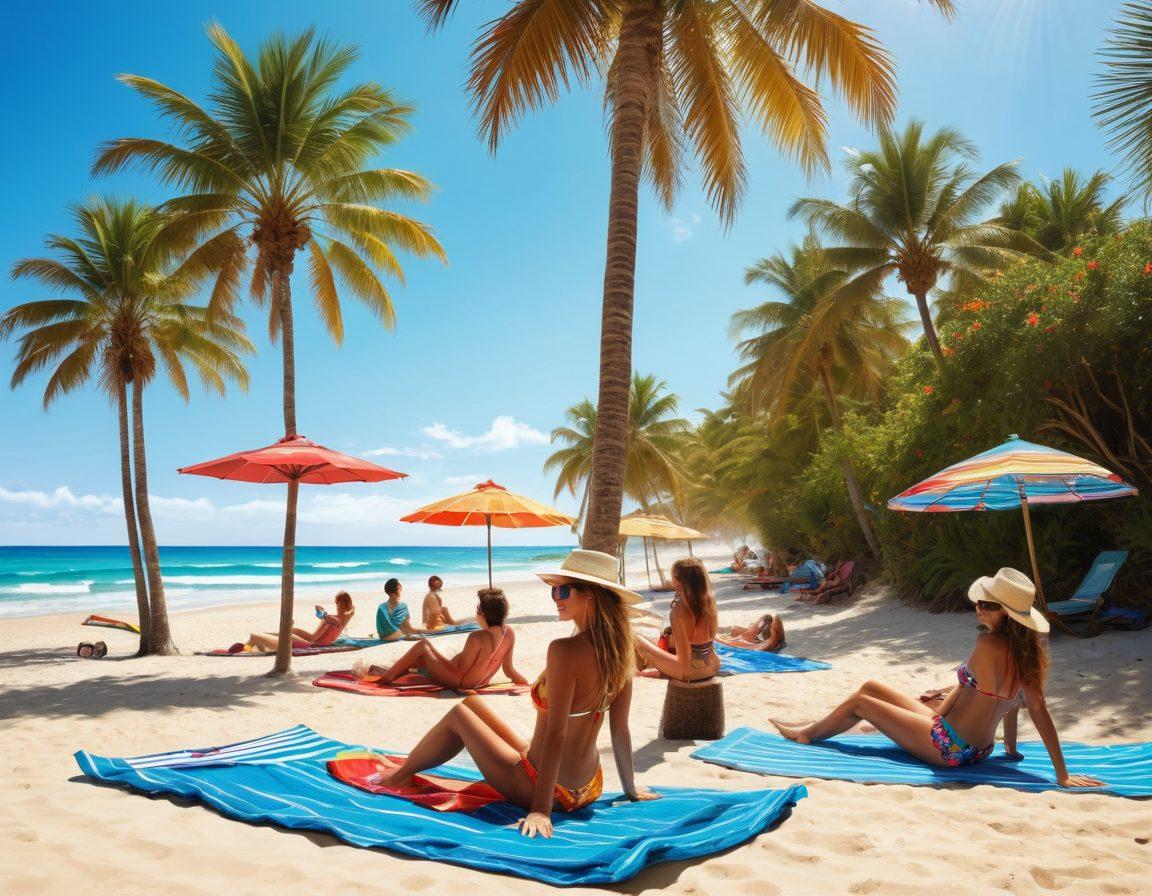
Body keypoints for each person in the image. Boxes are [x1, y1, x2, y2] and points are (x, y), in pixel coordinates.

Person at [370, 549, 660, 837]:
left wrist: (540, 810)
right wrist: (630, 788)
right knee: (472, 703)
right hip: (590, 784)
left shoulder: (564, 650)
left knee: (459, 714)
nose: (555, 598)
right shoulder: (621, 651)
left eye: (563, 591)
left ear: (591, 595)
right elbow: (619, 729)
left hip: (548, 788)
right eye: (553, 591)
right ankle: (407, 768)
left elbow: (557, 734)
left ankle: (398, 776)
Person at [770, 568, 1104, 787]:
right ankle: (816, 725)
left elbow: (966, 689)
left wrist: (932, 718)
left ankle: (806, 735)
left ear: (1008, 614)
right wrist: (1021, 756)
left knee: (861, 702)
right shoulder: (1028, 657)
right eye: (980, 602)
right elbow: (1028, 708)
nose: (978, 609)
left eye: (988, 605)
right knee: (872, 686)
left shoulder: (986, 643)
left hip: (947, 747)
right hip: (978, 749)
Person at [368, 588, 527, 691]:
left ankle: (387, 677)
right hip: (481, 681)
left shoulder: (477, 637)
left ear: (483, 612)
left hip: (461, 682)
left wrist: (441, 661)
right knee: (422, 660)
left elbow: (460, 670)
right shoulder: (509, 633)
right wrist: (525, 684)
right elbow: (509, 671)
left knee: (423, 645)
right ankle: (398, 671)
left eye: (478, 608)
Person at [634, 558, 720, 681]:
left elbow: (683, 664)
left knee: (636, 639)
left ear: (677, 582)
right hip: (712, 666)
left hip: (691, 672)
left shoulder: (678, 611)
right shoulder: (709, 603)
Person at [232, 591, 355, 653]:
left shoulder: (334, 620)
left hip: (309, 644)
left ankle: (246, 649)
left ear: (340, 603)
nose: (336, 604)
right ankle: (259, 647)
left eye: (337, 602)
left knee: (255, 636)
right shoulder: (344, 619)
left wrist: (321, 612)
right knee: (287, 631)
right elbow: (351, 612)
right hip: (313, 642)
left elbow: (321, 612)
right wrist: (349, 609)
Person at [722, 612, 787, 652]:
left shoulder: (743, 640)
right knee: (735, 629)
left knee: (735, 629)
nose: (751, 623)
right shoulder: (748, 638)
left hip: (735, 643)